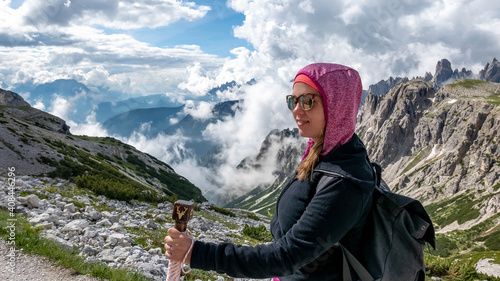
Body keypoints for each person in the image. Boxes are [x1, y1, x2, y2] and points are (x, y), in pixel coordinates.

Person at [164, 63, 376, 280]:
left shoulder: (345, 182)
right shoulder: (323, 153)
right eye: (292, 100)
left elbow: (285, 257)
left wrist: (196, 253)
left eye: (307, 101)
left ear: (336, 104)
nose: (296, 110)